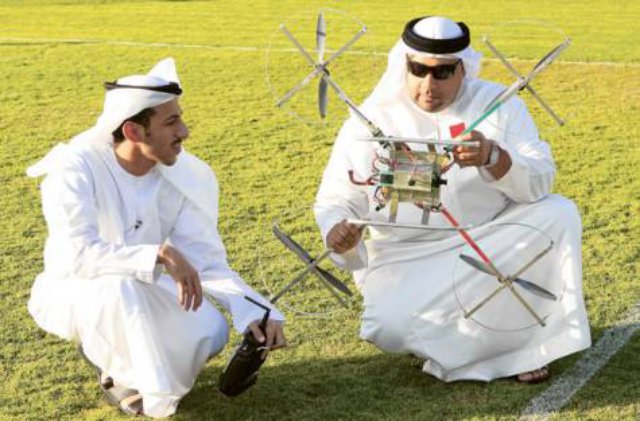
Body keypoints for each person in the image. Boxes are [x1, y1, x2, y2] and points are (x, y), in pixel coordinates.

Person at [314, 16, 590, 383]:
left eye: (443, 72)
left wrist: (494, 157)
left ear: (463, 69)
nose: (429, 85)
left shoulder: (499, 104)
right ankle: (463, 343)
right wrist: (337, 231)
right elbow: (337, 196)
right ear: (404, 65)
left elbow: (541, 177)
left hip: (488, 238)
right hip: (405, 255)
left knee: (558, 213)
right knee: (388, 326)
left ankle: (520, 350)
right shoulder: (372, 118)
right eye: (418, 70)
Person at [26, 58, 286, 418]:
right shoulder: (75, 168)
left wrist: (257, 310)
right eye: (171, 122)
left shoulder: (185, 176)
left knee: (211, 331)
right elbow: (78, 255)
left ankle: (130, 366)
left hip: (148, 287)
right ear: (134, 131)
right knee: (121, 288)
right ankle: (123, 377)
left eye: (180, 118)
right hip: (75, 290)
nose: (185, 132)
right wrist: (157, 255)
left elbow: (208, 263)